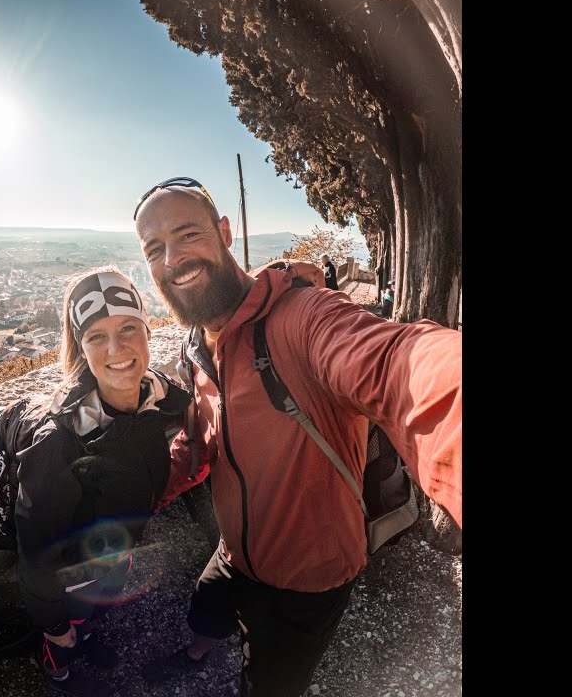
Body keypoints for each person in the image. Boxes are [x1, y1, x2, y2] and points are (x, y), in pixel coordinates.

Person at [130, 177, 462, 697]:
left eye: (188, 234)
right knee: (207, 608)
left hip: (310, 575)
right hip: (235, 551)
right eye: (155, 249)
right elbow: (201, 443)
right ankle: (196, 653)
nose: (172, 258)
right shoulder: (197, 347)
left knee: (273, 679)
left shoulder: (302, 318)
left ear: (224, 232)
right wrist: (137, 492)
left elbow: (396, 364)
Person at [0, 267, 194, 697]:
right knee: (68, 633)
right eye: (97, 336)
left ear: (148, 331)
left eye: (128, 328)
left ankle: (86, 634)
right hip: (73, 573)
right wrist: (54, 625)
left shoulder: (153, 391)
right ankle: (60, 672)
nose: (117, 349)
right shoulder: (58, 442)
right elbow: (37, 551)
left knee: (94, 613)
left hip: (115, 554)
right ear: (82, 349)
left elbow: (183, 398)